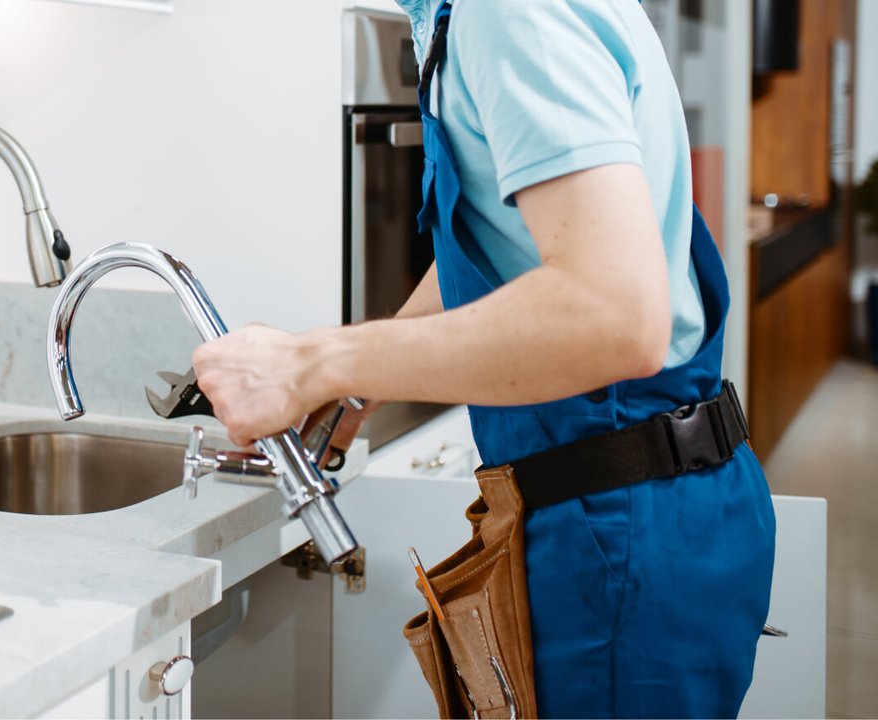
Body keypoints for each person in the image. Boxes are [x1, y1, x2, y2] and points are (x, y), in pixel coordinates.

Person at [190, 0, 775, 717]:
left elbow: (616, 313)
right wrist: (364, 376)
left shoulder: (511, 11)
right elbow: (524, 235)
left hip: (619, 531)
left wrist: (313, 361)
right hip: (635, 506)